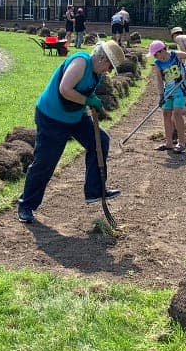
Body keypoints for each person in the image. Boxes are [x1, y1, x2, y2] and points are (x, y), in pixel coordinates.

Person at [16, 39, 127, 223]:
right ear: (102, 59)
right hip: (52, 117)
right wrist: (87, 101)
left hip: (75, 117)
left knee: (100, 140)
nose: (108, 71)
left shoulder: (96, 73)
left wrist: (92, 98)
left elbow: (84, 90)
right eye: (109, 66)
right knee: (45, 162)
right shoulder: (80, 62)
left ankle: (94, 190)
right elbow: (65, 89)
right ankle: (26, 205)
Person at [148, 39, 186, 154]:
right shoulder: (158, 64)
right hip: (168, 91)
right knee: (166, 113)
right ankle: (168, 143)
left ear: (162, 50)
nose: (155, 56)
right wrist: (161, 95)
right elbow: (159, 81)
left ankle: (182, 143)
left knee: (177, 113)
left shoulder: (175, 55)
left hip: (180, 89)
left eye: (155, 54)